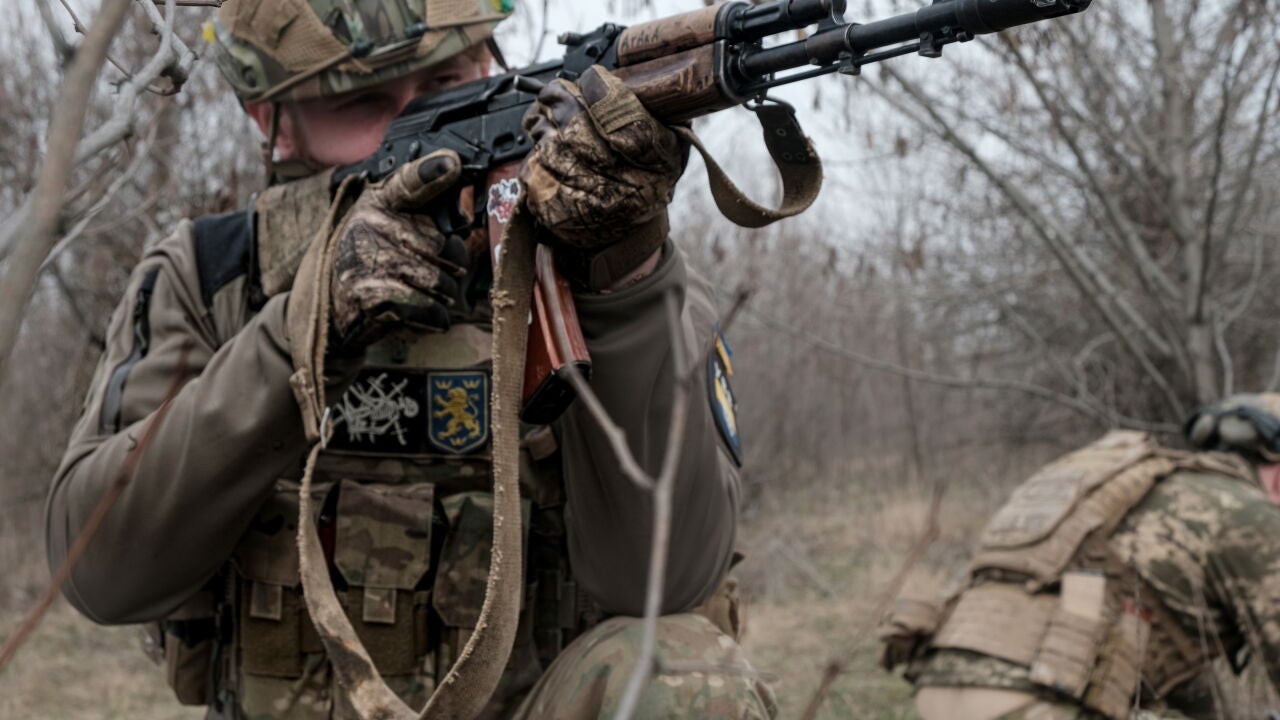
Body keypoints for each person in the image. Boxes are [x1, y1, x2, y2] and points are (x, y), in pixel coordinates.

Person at [44, 1, 772, 718]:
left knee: (686, 677)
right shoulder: (213, 279)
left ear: (489, 62)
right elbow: (99, 571)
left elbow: (667, 583)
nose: (418, 126)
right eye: (364, 102)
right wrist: (299, 336)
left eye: (446, 80)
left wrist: (624, 274)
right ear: (275, 121)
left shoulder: (593, 261)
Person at [878, 394, 1280, 720]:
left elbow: (1176, 663)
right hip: (1037, 702)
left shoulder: (1143, 491)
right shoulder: (1248, 516)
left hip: (938, 691)